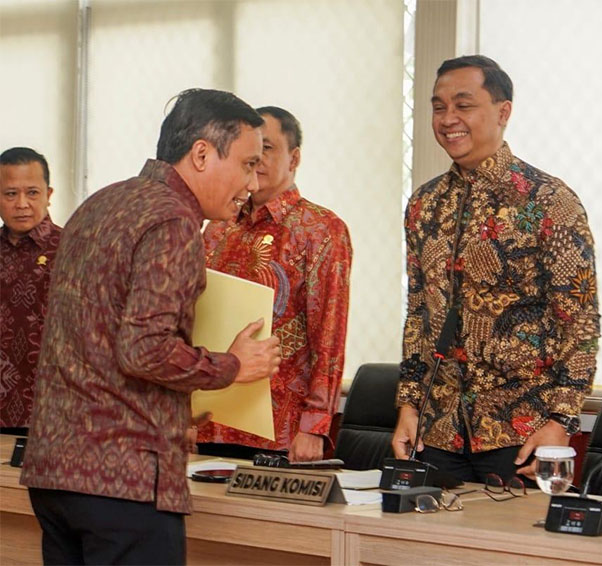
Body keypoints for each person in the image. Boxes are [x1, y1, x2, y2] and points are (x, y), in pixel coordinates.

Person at [20, 88, 282, 565]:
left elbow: (93, 341)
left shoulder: (101, 202)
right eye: (247, 164)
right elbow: (144, 349)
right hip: (122, 482)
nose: (252, 181)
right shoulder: (174, 221)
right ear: (201, 154)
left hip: (55, 474)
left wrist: (173, 408)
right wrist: (232, 366)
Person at [391, 55, 600, 483]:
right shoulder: (425, 204)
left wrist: (561, 421)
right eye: (438, 107)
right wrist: (409, 405)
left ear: (503, 112)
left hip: (523, 433)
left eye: (463, 105)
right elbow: (418, 314)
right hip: (436, 431)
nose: (448, 119)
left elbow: (579, 322)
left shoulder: (549, 201)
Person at [198, 106, 352, 462]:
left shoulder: (321, 229)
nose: (257, 160)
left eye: (267, 148)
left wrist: (314, 426)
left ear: (294, 158)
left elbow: (329, 337)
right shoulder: (219, 226)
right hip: (212, 419)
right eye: (249, 152)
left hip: (281, 428)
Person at [0, 147, 61, 435]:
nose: (22, 204)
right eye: (10, 194)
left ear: (48, 194)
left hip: (54, 415)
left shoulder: (74, 250)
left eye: (32, 193)